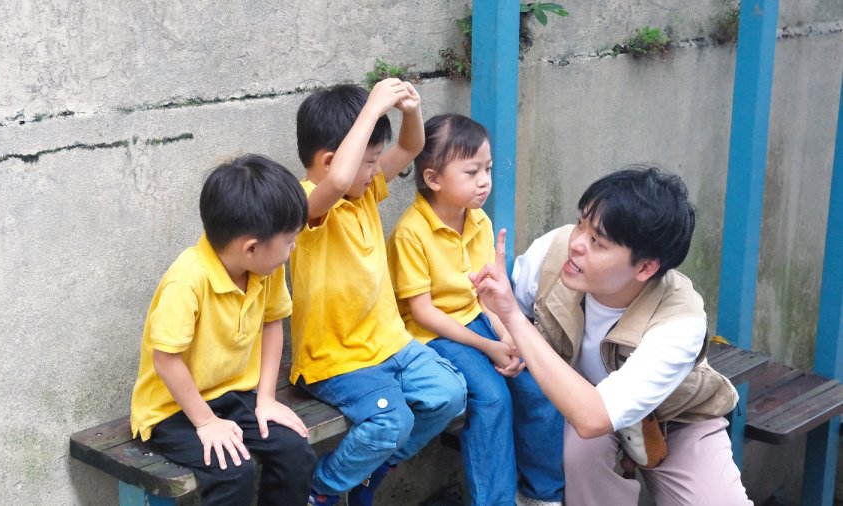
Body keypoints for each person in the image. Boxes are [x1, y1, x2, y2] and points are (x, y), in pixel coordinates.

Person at [472, 166, 752, 505]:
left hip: (673, 420)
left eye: (597, 242)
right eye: (581, 223)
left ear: (645, 267)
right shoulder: (554, 252)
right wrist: (504, 323)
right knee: (578, 454)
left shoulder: (680, 322)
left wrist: (513, 319)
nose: (576, 243)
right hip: (577, 405)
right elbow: (495, 309)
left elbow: (594, 416)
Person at [290, 80, 467, 506]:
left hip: (388, 342)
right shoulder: (305, 202)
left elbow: (409, 148)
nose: (377, 170)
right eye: (370, 161)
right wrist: (369, 110)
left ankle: (373, 468)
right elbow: (337, 181)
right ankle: (324, 490)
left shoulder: (364, 191)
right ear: (332, 160)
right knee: (391, 422)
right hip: (335, 359)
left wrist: (411, 110)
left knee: (450, 394)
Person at [386, 113, 564, 506]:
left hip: (479, 321)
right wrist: (489, 348)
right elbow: (424, 314)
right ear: (433, 179)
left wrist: (507, 336)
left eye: (487, 169)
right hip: (432, 336)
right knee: (492, 397)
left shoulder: (478, 220)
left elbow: (488, 295)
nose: (485, 180)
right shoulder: (410, 233)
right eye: (471, 172)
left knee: (540, 381)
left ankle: (541, 496)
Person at [129, 155, 317, 506]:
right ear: (251, 247)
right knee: (234, 470)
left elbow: (272, 323)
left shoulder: (266, 268)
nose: (292, 250)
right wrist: (205, 423)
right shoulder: (187, 280)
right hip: (173, 409)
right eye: (290, 241)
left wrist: (266, 399)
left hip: (231, 395)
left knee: (295, 453)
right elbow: (166, 359)